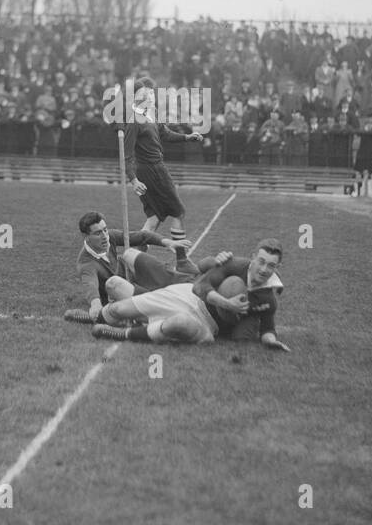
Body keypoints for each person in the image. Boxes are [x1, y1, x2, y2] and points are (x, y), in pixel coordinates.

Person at [90, 239, 289, 351]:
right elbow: (199, 288)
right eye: (261, 261)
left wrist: (271, 341)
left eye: (271, 265)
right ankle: (93, 318)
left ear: (277, 267)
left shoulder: (268, 298)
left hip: (208, 325)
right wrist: (228, 304)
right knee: (117, 308)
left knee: (179, 324)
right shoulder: (235, 264)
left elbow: (268, 329)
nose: (263, 269)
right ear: (253, 258)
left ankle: (123, 333)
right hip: (188, 296)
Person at [63, 211, 227, 324]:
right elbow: (90, 286)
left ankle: (189, 282)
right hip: (120, 293)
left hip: (133, 277)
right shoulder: (85, 263)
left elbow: (142, 236)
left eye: (105, 230)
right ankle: (103, 316)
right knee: (114, 283)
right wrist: (95, 305)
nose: (105, 236)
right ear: (86, 236)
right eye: (98, 233)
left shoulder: (110, 237)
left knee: (129, 253)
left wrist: (167, 242)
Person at [122, 76, 206, 249]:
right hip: (152, 171)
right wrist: (133, 180)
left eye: (152, 92)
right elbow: (127, 155)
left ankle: (133, 260)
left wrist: (187, 137)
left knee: (154, 218)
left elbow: (165, 134)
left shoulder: (151, 114)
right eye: (147, 92)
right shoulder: (134, 121)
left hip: (152, 170)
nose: (152, 96)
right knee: (178, 211)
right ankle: (182, 260)